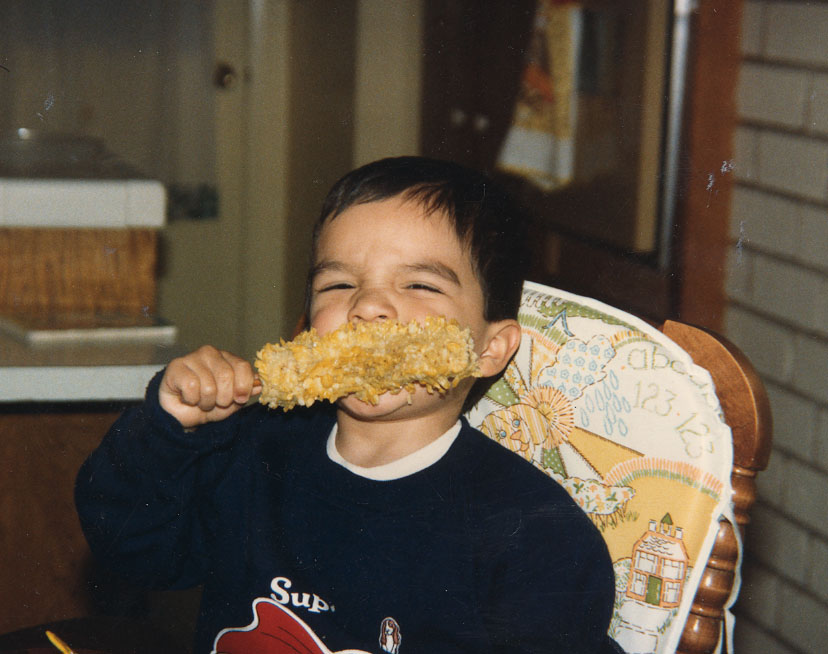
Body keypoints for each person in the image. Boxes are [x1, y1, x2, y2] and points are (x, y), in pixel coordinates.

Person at [76, 156, 620, 654]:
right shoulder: (253, 451)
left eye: (419, 285)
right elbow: (130, 548)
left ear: (490, 349)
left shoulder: (536, 537)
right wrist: (167, 428)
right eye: (338, 283)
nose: (367, 307)